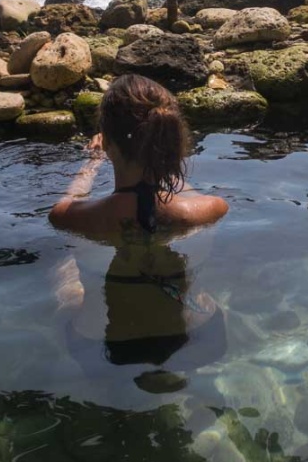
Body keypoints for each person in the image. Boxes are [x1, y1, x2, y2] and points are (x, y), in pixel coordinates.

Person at [49, 74, 229, 380]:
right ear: (173, 144)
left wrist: (92, 163)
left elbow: (72, 196)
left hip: (102, 348)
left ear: (108, 144)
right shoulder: (212, 209)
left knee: (62, 266)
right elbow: (173, 190)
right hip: (202, 339)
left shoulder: (68, 217)